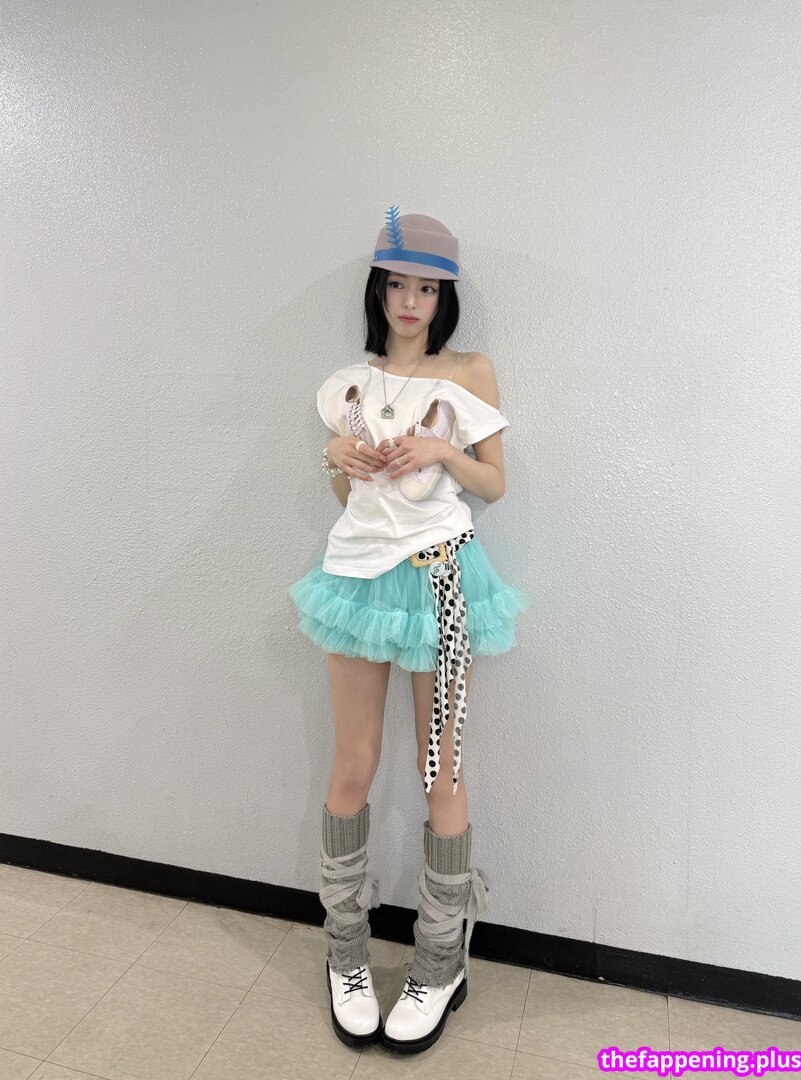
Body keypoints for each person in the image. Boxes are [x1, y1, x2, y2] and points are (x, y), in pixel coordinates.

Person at [288, 206, 532, 1055]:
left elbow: (493, 484)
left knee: (441, 772)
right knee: (352, 763)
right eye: (398, 284)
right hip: (357, 580)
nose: (410, 301)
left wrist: (443, 455)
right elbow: (354, 503)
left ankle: (439, 961)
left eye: (427, 288)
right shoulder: (351, 386)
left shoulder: (468, 370)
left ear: (444, 297)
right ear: (380, 289)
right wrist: (335, 457)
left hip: (443, 579)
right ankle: (346, 954)